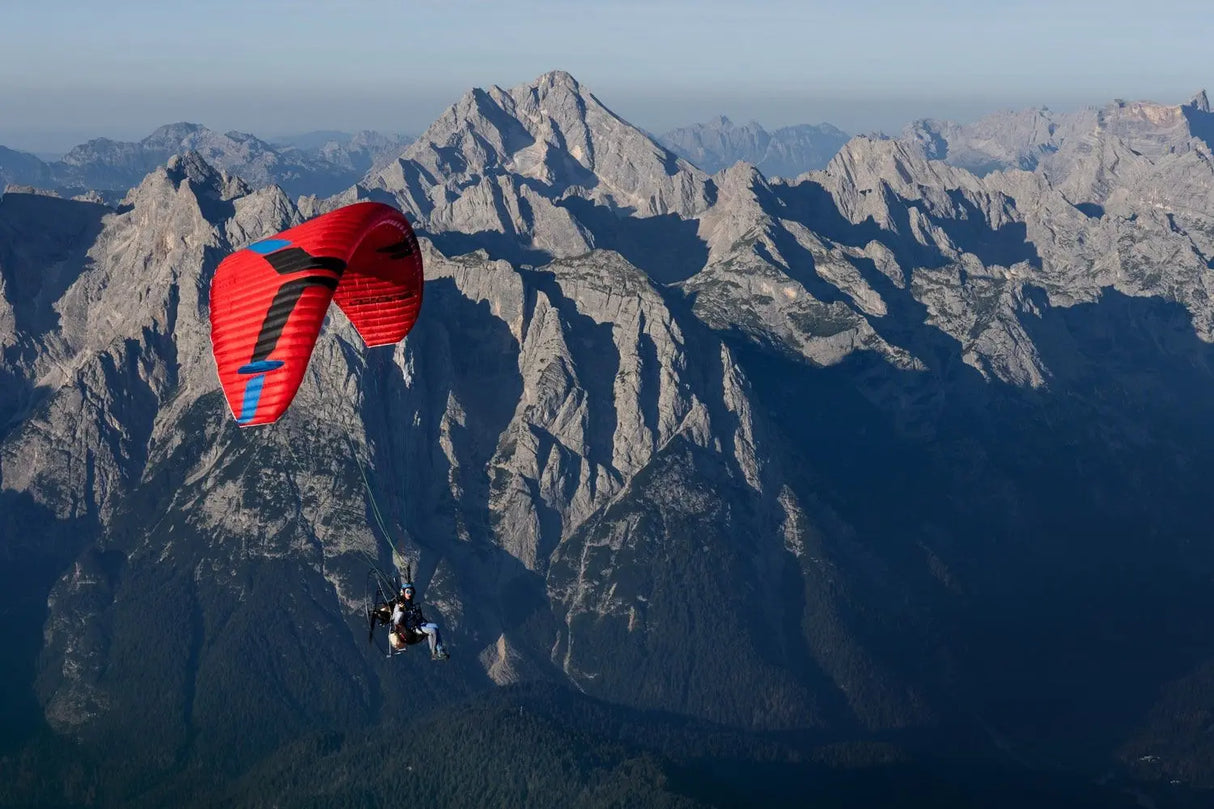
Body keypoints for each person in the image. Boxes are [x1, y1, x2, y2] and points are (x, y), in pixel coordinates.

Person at [389, 582, 449, 660]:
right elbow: (396, 621)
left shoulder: (409, 603)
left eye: (411, 592)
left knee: (435, 626)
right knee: (432, 631)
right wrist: (401, 610)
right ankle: (434, 654)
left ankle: (440, 650)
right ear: (403, 592)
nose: (410, 594)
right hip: (411, 629)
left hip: (418, 624)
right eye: (407, 592)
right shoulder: (399, 605)